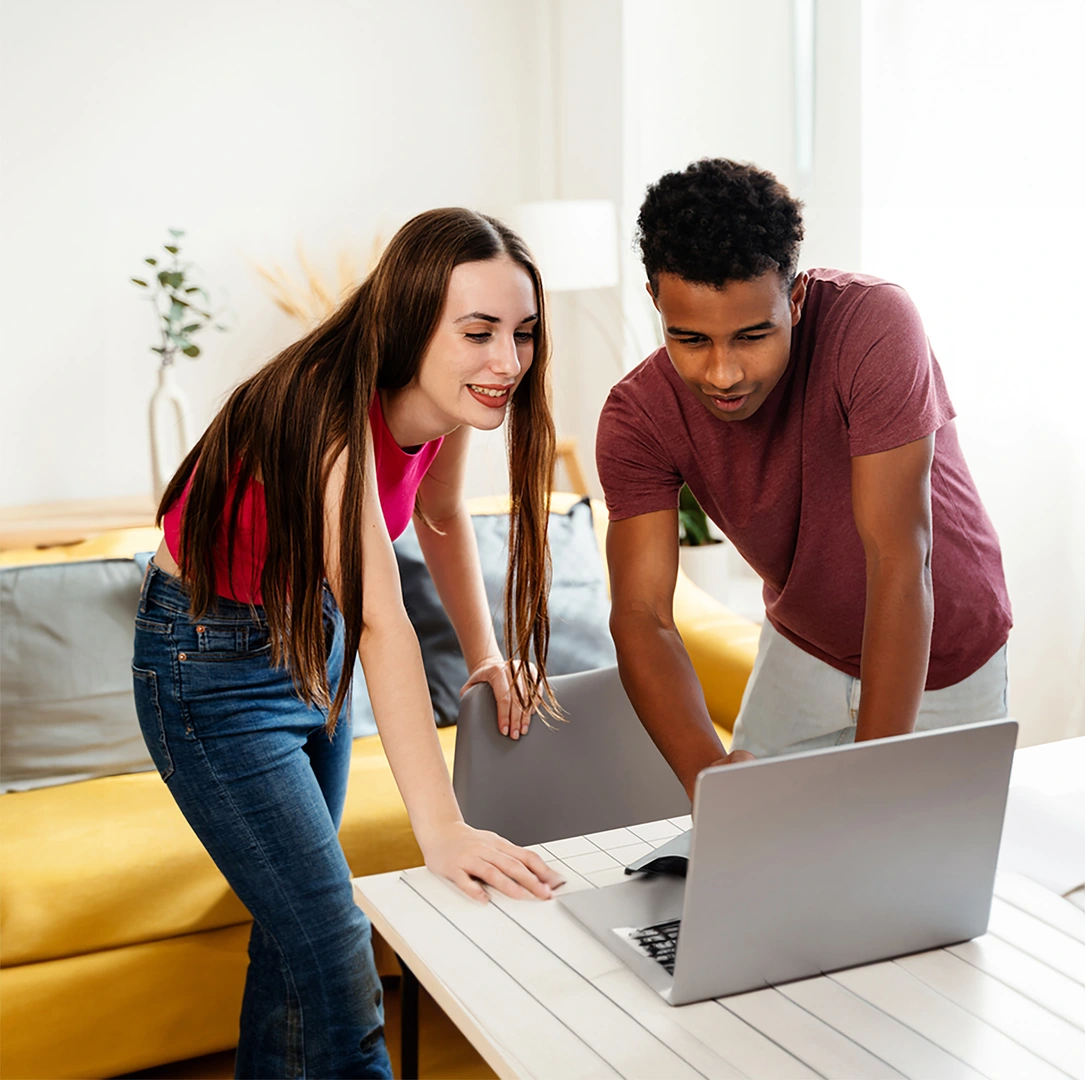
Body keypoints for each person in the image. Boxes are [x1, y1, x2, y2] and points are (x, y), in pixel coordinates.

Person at [132, 208, 565, 1080]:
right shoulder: (324, 416)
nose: (506, 362)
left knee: (293, 942)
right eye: (477, 333)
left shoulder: (439, 401)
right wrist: (439, 829)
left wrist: (484, 653)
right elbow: (382, 620)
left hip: (308, 643)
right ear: (410, 321)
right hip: (209, 668)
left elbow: (439, 517)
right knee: (334, 949)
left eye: (520, 334)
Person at [597, 159, 1012, 799]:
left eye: (752, 335)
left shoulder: (874, 325)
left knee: (911, 877)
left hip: (942, 646)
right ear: (656, 299)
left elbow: (899, 559)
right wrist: (708, 778)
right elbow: (642, 614)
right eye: (690, 339)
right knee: (755, 855)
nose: (723, 373)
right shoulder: (637, 417)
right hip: (804, 647)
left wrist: (869, 779)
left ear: (794, 296)